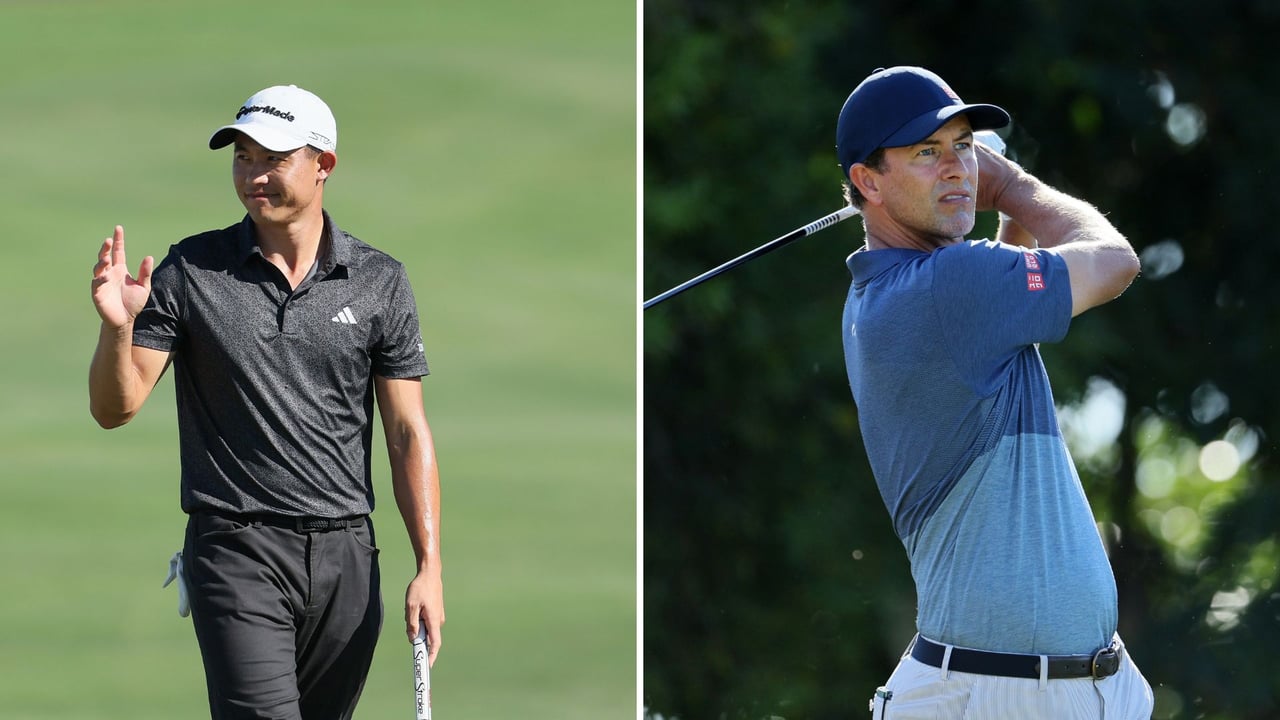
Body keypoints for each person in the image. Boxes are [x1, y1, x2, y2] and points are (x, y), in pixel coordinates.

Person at [88, 84, 444, 719]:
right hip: (237, 549)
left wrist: (429, 565)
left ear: (322, 164)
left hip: (347, 559)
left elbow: (407, 434)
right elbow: (116, 407)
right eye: (242, 157)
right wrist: (118, 328)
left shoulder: (379, 280)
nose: (253, 175)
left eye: (273, 159)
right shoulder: (191, 271)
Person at [836, 66, 1153, 718]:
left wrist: (995, 204)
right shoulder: (948, 289)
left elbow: (1005, 294)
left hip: (1023, 687)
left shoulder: (885, 293)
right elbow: (1115, 262)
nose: (957, 167)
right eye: (927, 152)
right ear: (867, 181)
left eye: (964, 147)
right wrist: (1011, 186)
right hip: (1006, 694)